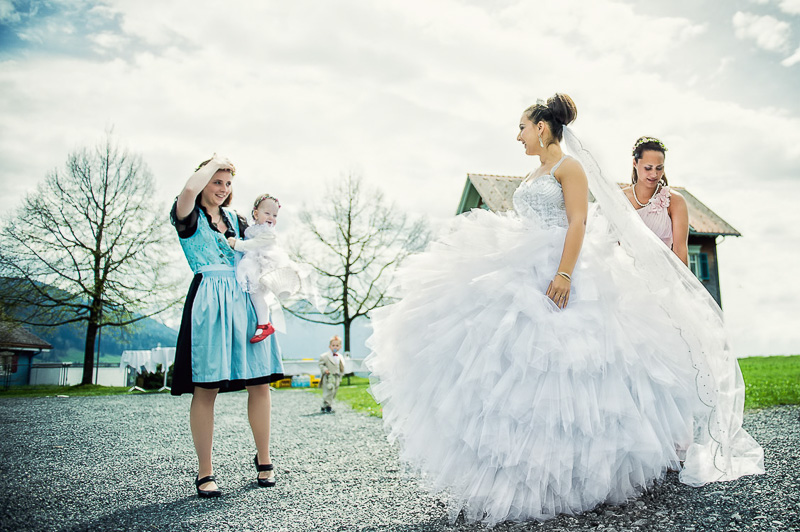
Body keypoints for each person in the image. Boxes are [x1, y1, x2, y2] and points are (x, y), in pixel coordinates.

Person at [365, 94, 763, 525]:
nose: (518, 136)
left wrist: (564, 274)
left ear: (541, 128)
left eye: (522, 127)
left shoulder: (569, 167)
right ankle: (512, 471)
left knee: (568, 370)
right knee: (511, 369)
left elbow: (578, 222)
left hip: (560, 264)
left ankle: (569, 475)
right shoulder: (533, 172)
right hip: (523, 262)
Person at [170, 155, 284, 497]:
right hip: (209, 301)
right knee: (206, 388)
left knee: (260, 382)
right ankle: (205, 471)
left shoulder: (237, 220)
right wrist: (214, 162)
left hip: (245, 298)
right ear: (203, 180)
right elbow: (188, 190)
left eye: (228, 182)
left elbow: (262, 247)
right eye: (216, 181)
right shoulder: (187, 214)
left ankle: (264, 459)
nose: (222, 188)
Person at [228, 193, 320, 341]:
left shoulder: (269, 234)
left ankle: (264, 324)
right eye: (267, 213)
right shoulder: (253, 229)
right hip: (255, 263)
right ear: (256, 214)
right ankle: (262, 323)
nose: (271, 217)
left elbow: (252, 244)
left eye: (275, 215)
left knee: (257, 294)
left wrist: (236, 244)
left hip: (264, 265)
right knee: (253, 294)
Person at [621, 136, 689, 265]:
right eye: (648, 168)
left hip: (663, 272)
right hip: (624, 272)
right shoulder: (619, 199)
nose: (654, 174)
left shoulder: (675, 201)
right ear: (635, 163)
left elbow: (680, 250)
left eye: (659, 168)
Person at [318, 336, 346, 413]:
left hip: (336, 376)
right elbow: (321, 364)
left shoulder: (339, 356)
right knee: (328, 390)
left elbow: (341, 366)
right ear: (330, 346)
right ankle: (327, 405)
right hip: (328, 377)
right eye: (333, 345)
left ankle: (326, 405)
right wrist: (325, 370)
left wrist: (341, 373)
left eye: (337, 345)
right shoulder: (325, 356)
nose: (335, 347)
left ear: (340, 347)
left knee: (334, 391)